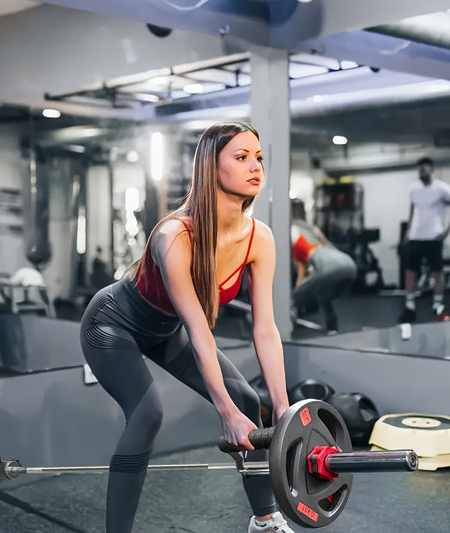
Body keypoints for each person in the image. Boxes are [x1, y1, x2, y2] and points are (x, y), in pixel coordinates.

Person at [80, 122, 293, 533]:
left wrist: (283, 409)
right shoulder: (174, 235)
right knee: (147, 414)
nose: (256, 167)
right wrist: (224, 414)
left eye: (259, 158)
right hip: (112, 324)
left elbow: (265, 328)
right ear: (212, 168)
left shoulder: (259, 239)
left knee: (249, 399)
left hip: (164, 329)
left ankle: (264, 522)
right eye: (242, 157)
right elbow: (199, 329)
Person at [290, 198, 357, 333]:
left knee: (293, 297)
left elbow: (301, 267)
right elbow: (329, 246)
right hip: (349, 264)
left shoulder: (292, 230)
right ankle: (333, 329)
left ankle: (288, 329)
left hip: (330, 267)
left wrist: (299, 290)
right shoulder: (313, 229)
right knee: (325, 295)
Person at [399, 157, 450, 323]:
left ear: (432, 169)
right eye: (420, 169)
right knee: (410, 271)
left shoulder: (442, 189)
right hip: (415, 237)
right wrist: (407, 232)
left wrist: (445, 232)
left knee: (437, 272)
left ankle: (437, 305)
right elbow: (412, 208)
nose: (422, 171)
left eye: (425, 168)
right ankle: (410, 306)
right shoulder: (414, 189)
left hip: (433, 237)